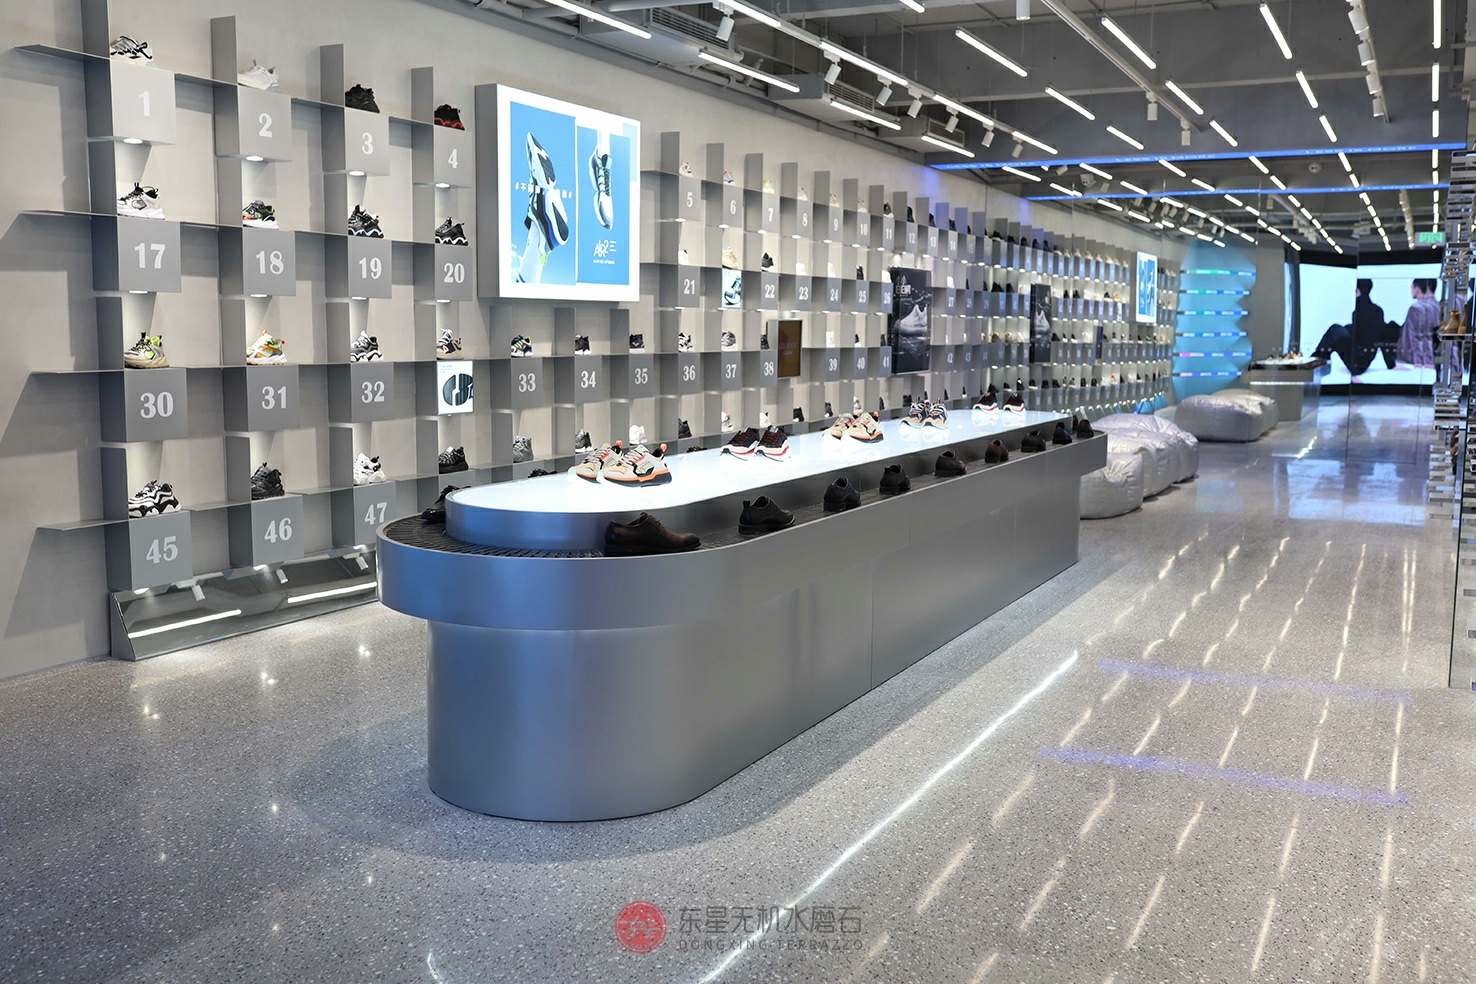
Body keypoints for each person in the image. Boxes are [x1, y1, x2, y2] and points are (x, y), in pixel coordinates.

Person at [1313, 278, 1399, 378]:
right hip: (1364, 361)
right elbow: (1382, 335)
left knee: (1334, 329)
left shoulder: (1358, 311)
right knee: (1342, 329)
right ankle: (1320, 359)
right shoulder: (1378, 311)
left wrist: (1353, 375)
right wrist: (1391, 364)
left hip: (1357, 363)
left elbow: (1357, 338)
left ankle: (1316, 360)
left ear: (1358, 291)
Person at [1396, 278, 1440, 367]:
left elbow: (1416, 337)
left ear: (1417, 289)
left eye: (1412, 287)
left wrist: (1419, 362)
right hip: (1430, 354)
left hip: (1412, 358)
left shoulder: (1416, 308)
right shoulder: (1437, 305)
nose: (1411, 290)